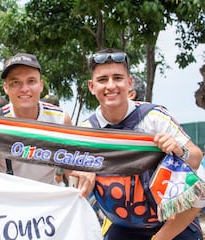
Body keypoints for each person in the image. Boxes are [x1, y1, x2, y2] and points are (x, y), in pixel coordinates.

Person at [81, 48, 204, 240]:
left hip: (172, 225)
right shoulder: (87, 130)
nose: (111, 86)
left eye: (118, 78)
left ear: (129, 83)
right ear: (91, 86)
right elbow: (68, 170)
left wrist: (180, 150)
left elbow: (196, 158)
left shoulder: (155, 118)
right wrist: (80, 170)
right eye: (102, 79)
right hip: (123, 227)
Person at [0, 53, 79, 186]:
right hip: (7, 198)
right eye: (16, 82)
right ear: (6, 87)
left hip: (47, 197)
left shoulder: (60, 119)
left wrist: (82, 176)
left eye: (31, 81)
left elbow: (72, 169)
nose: (24, 89)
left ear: (41, 85)